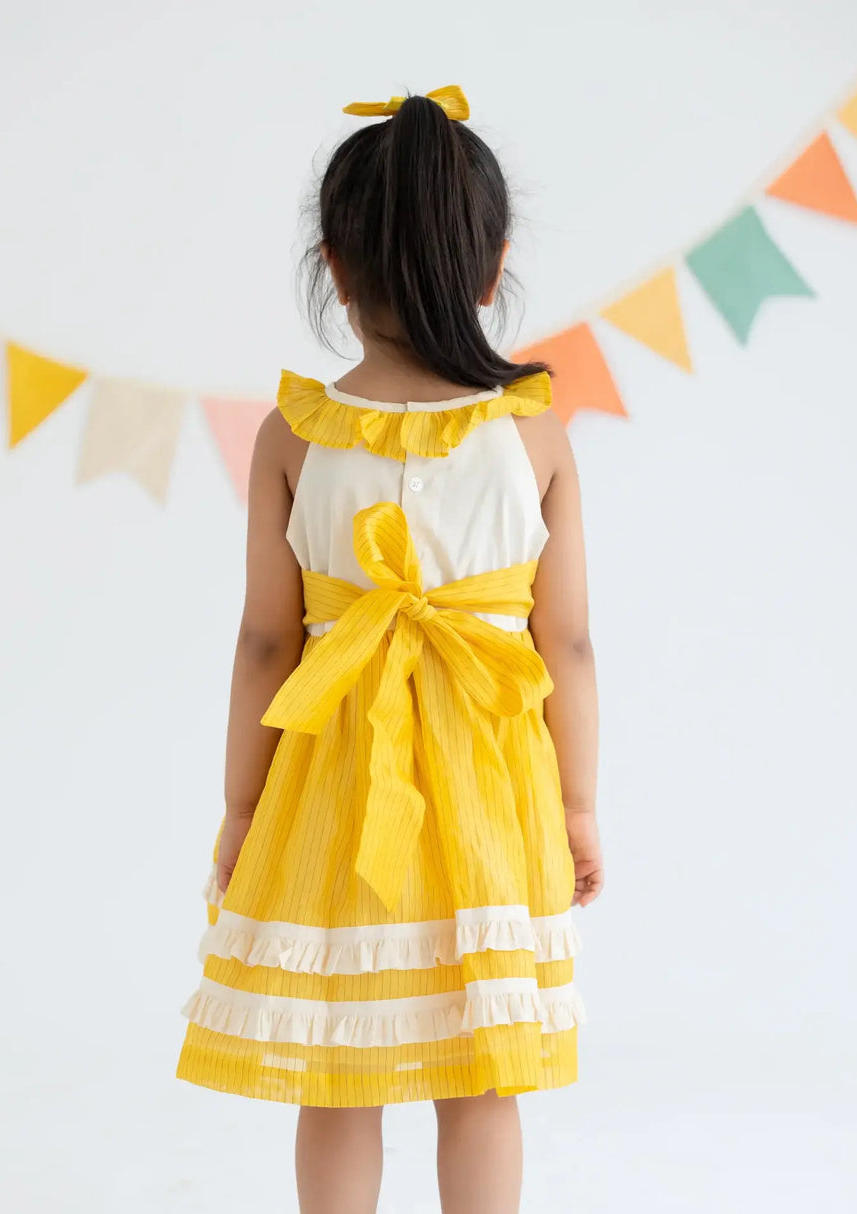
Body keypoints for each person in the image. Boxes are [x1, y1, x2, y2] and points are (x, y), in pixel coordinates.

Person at [176, 83, 603, 1214]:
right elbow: (563, 639)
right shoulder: (533, 430)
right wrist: (575, 806)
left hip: (330, 778)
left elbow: (267, 637)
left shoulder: (295, 434)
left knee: (337, 1060)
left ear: (331, 261)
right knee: (479, 1075)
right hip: (491, 787)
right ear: (494, 259)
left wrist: (239, 806)